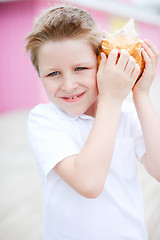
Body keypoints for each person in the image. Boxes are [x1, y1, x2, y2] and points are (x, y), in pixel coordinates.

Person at [25, 4, 160, 240]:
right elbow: (89, 183)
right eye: (53, 73)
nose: (68, 85)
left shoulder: (124, 113)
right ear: (40, 75)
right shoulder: (44, 120)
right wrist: (110, 98)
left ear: (103, 64)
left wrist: (140, 94)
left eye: (80, 68)